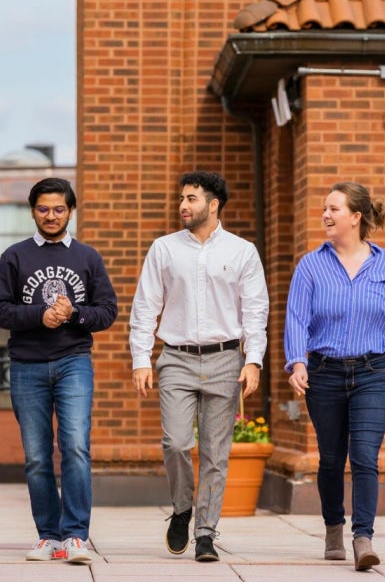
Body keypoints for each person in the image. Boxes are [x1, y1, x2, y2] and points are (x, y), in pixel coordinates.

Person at [130, 171, 269, 563]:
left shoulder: (242, 251)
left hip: (226, 359)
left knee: (215, 452)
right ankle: (181, 508)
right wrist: (142, 359)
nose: (182, 206)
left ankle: (206, 532)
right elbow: (145, 308)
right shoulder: (164, 249)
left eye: (191, 199)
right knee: (175, 442)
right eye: (181, 199)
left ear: (213, 204)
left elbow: (255, 311)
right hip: (175, 356)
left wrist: (253, 359)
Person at [284, 181, 385, 572]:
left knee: (364, 456)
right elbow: (296, 318)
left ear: (356, 217)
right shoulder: (311, 265)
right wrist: (297, 362)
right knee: (330, 459)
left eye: (334, 209)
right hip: (324, 373)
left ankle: (364, 537)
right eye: (324, 209)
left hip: (374, 371)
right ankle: (333, 527)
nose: (325, 215)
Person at [0, 177, 118, 564]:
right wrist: (39, 316)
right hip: (26, 366)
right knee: (37, 456)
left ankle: (76, 536)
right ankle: (48, 536)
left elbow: (107, 311)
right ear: (33, 211)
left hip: (74, 362)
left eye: (59, 209)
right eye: (43, 209)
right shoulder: (15, 256)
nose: (51, 215)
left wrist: (74, 314)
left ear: (71, 212)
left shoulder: (87, 258)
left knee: (75, 446)